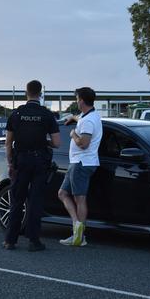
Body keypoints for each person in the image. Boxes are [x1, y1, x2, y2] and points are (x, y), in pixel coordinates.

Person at [3, 80, 61, 252]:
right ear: (40, 93)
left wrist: (10, 163)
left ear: (25, 93)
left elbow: (8, 143)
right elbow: (57, 143)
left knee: (17, 200)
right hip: (40, 161)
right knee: (35, 201)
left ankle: (10, 241)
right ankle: (34, 241)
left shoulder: (16, 114)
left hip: (21, 161)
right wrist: (44, 142)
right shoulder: (46, 114)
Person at [58, 87, 102, 247]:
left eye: (77, 99)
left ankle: (80, 236)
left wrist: (73, 134)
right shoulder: (89, 116)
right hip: (78, 163)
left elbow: (83, 143)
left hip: (82, 163)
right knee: (62, 193)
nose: (76, 101)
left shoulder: (88, 121)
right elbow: (81, 118)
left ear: (82, 100)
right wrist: (73, 117)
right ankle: (77, 226)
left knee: (80, 200)